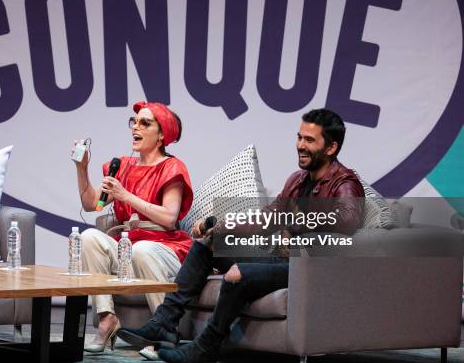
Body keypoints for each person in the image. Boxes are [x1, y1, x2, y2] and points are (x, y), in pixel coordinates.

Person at [117, 108, 365, 362]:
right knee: (209, 243)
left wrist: (294, 223)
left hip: (307, 266)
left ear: (331, 148)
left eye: (310, 140)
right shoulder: (298, 180)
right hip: (282, 259)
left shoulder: (344, 183)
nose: (300, 145)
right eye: (299, 137)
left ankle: (206, 347)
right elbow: (265, 218)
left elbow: (346, 219)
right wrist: (221, 224)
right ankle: (165, 322)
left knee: (238, 273)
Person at [73, 101, 194, 353]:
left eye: (145, 123)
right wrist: (82, 168)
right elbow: (92, 204)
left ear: (161, 135)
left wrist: (126, 196)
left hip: (165, 248)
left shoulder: (172, 167)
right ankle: (107, 319)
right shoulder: (123, 166)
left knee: (142, 250)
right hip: (130, 247)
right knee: (89, 238)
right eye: (134, 122)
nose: (135, 128)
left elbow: (170, 218)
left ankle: (164, 330)